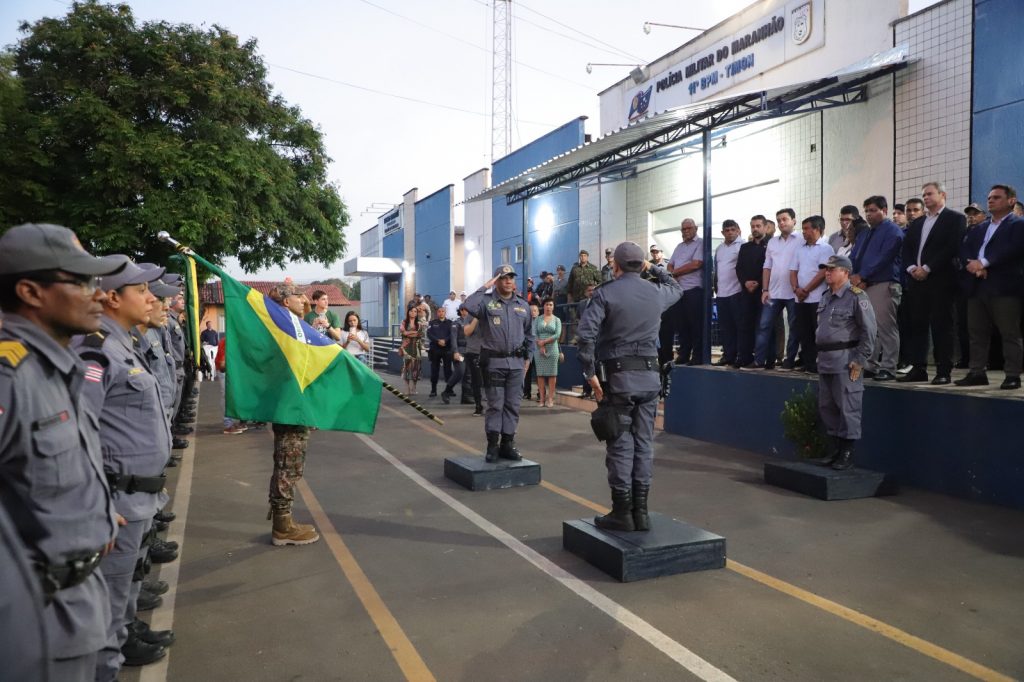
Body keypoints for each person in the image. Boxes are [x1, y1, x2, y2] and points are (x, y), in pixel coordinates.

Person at [0, 223, 125, 681]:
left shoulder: (58, 367)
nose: (99, 294)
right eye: (82, 281)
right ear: (31, 291)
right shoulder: (10, 377)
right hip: (37, 620)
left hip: (79, 600)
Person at [72, 256, 172, 678]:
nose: (152, 298)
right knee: (105, 615)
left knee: (123, 593)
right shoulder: (95, 351)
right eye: (142, 291)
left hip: (136, 494)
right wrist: (93, 501)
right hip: (117, 498)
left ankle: (120, 647)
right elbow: (79, 432)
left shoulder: (121, 344)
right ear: (112, 298)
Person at [577, 241, 682, 531]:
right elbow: (677, 287)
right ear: (642, 264)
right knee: (644, 443)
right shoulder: (656, 293)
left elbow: (586, 338)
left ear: (616, 265)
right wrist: (653, 269)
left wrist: (590, 375)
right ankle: (642, 512)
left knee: (621, 445)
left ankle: (622, 512)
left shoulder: (605, 294)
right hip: (650, 380)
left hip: (620, 381)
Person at [264, 284, 320, 546]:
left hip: (294, 405)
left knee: (292, 463)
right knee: (288, 464)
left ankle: (284, 520)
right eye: (299, 296)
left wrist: (301, 304)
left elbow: (305, 314)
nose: (305, 300)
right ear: (286, 302)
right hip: (289, 407)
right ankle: (282, 526)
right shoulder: (285, 328)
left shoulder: (292, 324)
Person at [811, 255, 877, 471]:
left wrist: (860, 360)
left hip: (846, 360)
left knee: (848, 405)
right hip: (826, 360)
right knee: (827, 406)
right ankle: (835, 448)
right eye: (826, 269)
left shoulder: (857, 297)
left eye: (832, 269)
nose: (827, 272)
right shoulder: (825, 297)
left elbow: (870, 331)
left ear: (845, 272)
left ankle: (847, 451)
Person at [955, 184, 1024, 390]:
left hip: (1004, 287)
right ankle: (977, 372)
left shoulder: (1018, 225)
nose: (990, 200)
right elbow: (964, 248)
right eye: (989, 197)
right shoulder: (980, 227)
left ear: (1011, 201)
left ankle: (1012, 374)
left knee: (1009, 332)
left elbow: (1013, 250)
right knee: (976, 332)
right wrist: (972, 264)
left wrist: (985, 263)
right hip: (978, 286)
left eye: (996, 197)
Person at [898, 181, 966, 385]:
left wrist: (927, 268)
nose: (926, 198)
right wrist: (911, 268)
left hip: (941, 280)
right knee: (917, 325)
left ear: (942, 194)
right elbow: (907, 248)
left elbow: (952, 247)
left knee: (941, 326)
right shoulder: (918, 223)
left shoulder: (955, 219)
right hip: (917, 282)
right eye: (924, 195)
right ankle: (918, 368)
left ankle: (943, 370)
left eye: (929, 194)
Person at [464, 265, 534, 462]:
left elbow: (530, 334)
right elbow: (468, 304)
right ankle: (492, 445)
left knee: (513, 405)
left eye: (511, 277)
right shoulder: (486, 303)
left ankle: (507, 444)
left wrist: (528, 358)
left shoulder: (522, 305)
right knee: (496, 405)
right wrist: (487, 285)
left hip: (517, 363)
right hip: (494, 362)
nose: (509, 281)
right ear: (497, 280)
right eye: (503, 278)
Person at [850, 195, 904, 381]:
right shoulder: (865, 233)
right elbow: (854, 256)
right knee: (869, 328)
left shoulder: (892, 231)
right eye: (866, 211)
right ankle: (871, 365)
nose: (869, 214)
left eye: (873, 210)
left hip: (884, 283)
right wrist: (853, 275)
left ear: (885, 210)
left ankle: (889, 367)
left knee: (886, 327)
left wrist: (863, 275)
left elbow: (884, 258)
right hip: (864, 285)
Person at [751, 208, 804, 370]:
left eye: (785, 219)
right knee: (764, 325)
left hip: (793, 292)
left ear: (794, 221)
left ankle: (789, 360)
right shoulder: (772, 242)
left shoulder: (802, 240)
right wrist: (765, 290)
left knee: (794, 327)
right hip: (773, 292)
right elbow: (767, 267)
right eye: (779, 220)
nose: (781, 223)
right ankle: (759, 361)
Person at [789, 215, 835, 374]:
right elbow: (793, 271)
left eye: (807, 228)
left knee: (818, 331)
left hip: (816, 297)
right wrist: (796, 289)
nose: (804, 232)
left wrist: (806, 290)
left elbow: (823, 272)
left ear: (818, 229)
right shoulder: (800, 249)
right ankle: (808, 363)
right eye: (803, 229)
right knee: (804, 331)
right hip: (800, 298)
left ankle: (818, 364)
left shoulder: (826, 248)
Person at [667, 218, 705, 364]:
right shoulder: (679, 246)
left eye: (689, 228)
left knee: (695, 324)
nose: (686, 231)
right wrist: (672, 274)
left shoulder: (700, 243)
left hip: (693, 289)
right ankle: (683, 354)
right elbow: (670, 265)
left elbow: (696, 264)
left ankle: (697, 356)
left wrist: (674, 273)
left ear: (695, 228)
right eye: (684, 229)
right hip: (679, 291)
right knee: (681, 325)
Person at [736, 216, 768, 368]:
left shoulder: (771, 245)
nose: (755, 229)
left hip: (763, 291)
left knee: (764, 325)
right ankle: (745, 357)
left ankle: (767, 359)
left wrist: (759, 283)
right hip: (746, 291)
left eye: (758, 226)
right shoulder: (745, 247)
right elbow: (739, 268)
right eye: (753, 226)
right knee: (745, 325)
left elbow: (769, 267)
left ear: (765, 227)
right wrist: (745, 282)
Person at [713, 219, 743, 366]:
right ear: (722, 232)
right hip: (721, 294)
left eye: (732, 229)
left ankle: (739, 355)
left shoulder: (742, 246)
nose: (730, 232)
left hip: (737, 292)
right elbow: (716, 271)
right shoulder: (719, 249)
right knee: (725, 327)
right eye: (727, 230)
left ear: (738, 230)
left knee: (739, 326)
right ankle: (728, 355)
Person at [533, 297, 562, 408]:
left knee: (552, 375)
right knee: (540, 375)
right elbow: (534, 333)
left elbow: (557, 335)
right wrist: (540, 345)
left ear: (553, 307)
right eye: (546, 304)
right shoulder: (537, 319)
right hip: (539, 348)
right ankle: (541, 399)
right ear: (543, 306)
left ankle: (550, 398)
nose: (548, 306)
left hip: (552, 349)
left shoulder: (557, 320)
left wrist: (544, 342)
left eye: (551, 304)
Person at [426, 305, 455, 398]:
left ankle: (449, 390)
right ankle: (433, 390)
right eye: (439, 311)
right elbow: (429, 334)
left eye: (443, 311)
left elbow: (452, 335)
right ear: (437, 313)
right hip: (435, 350)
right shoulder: (432, 322)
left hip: (447, 350)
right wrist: (438, 341)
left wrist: (445, 341)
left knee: (448, 371)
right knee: (434, 370)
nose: (441, 313)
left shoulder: (450, 323)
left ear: (445, 313)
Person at [462, 306, 484, 415]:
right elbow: (467, 332)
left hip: (488, 351)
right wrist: (476, 318)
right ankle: (478, 405)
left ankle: (494, 406)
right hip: (473, 352)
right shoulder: (469, 316)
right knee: (476, 382)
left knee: (491, 381)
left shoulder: (489, 315)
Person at [399, 303, 424, 394]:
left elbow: (419, 334)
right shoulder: (404, 322)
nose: (413, 313)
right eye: (411, 311)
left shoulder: (419, 323)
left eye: (415, 311)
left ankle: (414, 387)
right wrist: (412, 333)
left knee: (416, 368)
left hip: (416, 348)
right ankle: (407, 388)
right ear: (408, 312)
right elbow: (403, 333)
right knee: (406, 367)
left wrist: (408, 333)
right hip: (406, 348)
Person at [523, 301, 539, 401]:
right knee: (526, 373)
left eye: (535, 310)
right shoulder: (525, 323)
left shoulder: (541, 322)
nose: (533, 312)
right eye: (531, 311)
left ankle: (540, 393)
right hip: (528, 351)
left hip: (538, 352)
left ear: (538, 312)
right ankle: (526, 392)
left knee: (539, 374)